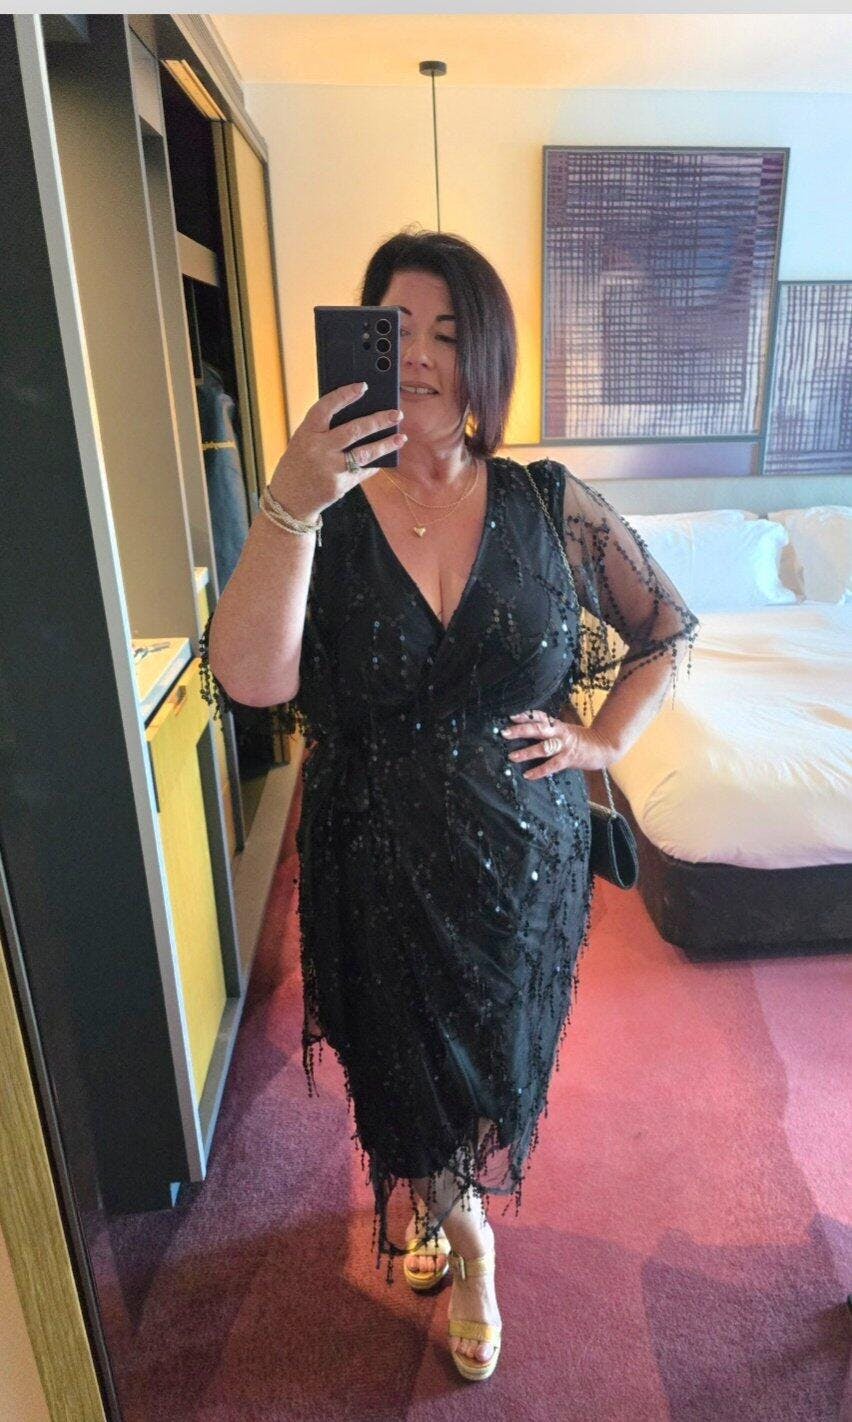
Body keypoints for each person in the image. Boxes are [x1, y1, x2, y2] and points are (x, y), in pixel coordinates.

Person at [199, 228, 699, 1382]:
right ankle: (468, 1239)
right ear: (362, 344)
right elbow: (253, 682)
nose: (421, 356)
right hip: (372, 867)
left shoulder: (546, 501)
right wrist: (288, 504)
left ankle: (444, 1199)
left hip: (523, 871)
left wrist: (601, 740)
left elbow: (666, 631)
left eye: (448, 331)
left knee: (493, 1066)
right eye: (397, 330)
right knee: (394, 1064)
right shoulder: (318, 511)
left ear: (488, 357)